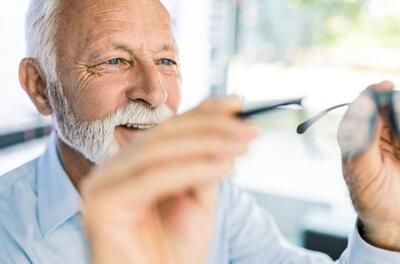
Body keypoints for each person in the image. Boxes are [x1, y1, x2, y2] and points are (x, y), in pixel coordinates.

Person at [0, 0, 400, 263]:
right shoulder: (8, 229)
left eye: (166, 60)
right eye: (114, 60)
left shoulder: (213, 197)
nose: (155, 92)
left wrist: (385, 227)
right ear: (39, 86)